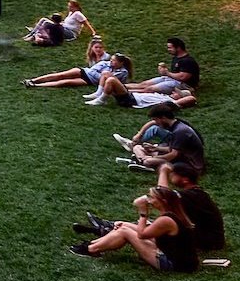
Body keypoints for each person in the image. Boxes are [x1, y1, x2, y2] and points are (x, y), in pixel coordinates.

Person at [69, 186, 197, 272]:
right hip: (179, 259)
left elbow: (142, 234)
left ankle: (90, 249)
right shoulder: (174, 214)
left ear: (162, 201)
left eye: (151, 197)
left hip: (173, 264)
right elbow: (152, 234)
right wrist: (125, 223)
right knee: (124, 227)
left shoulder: (166, 220)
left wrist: (143, 213)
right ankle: (92, 245)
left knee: (125, 231)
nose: (149, 200)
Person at [119, 102, 204, 181]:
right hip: (179, 157)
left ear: (163, 118)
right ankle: (141, 162)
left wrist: (153, 158)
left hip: (188, 163)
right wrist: (155, 148)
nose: (156, 123)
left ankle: (142, 162)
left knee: (148, 161)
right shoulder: (175, 126)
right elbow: (171, 149)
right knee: (137, 147)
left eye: (156, 120)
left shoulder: (180, 131)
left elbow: (172, 155)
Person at [24, 38, 112, 89]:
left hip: (90, 80)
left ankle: (36, 85)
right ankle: (32, 80)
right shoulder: (91, 56)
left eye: (100, 47)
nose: (98, 49)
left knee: (65, 82)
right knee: (59, 75)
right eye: (96, 47)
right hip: (84, 72)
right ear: (92, 48)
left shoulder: (107, 58)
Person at [29, 0, 93, 46]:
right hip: (63, 28)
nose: (68, 8)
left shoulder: (78, 14)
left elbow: (86, 23)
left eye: (70, 6)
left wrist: (93, 32)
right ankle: (32, 34)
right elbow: (67, 22)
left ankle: (34, 35)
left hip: (71, 33)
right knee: (43, 20)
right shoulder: (71, 13)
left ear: (76, 7)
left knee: (46, 23)